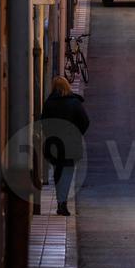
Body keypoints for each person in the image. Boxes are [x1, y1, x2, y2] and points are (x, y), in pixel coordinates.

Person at [41, 75, 90, 216]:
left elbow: (44, 122)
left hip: (54, 144)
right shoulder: (74, 103)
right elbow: (85, 121)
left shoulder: (49, 103)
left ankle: (60, 201)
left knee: (58, 172)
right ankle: (62, 202)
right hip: (70, 145)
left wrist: (50, 135)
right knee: (67, 174)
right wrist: (76, 133)